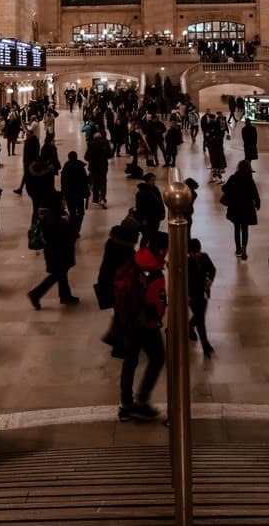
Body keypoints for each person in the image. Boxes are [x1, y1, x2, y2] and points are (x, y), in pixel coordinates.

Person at [117, 230, 168, 422]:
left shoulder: (138, 257)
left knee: (130, 360)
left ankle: (126, 403)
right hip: (146, 323)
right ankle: (142, 401)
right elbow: (157, 303)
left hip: (128, 317)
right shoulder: (154, 272)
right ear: (162, 250)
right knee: (158, 358)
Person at [96, 224, 138, 358]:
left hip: (110, 284)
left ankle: (113, 338)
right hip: (117, 287)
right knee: (122, 315)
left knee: (120, 314)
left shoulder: (111, 244)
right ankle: (117, 346)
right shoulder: (124, 251)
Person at [27, 205, 79, 309]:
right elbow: (64, 233)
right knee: (57, 274)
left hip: (54, 250)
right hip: (59, 250)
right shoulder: (55, 217)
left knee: (62, 272)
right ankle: (36, 294)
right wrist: (67, 222)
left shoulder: (47, 214)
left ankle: (65, 295)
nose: (64, 202)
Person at [221, 159, 260, 260]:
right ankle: (244, 247)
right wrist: (258, 203)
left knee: (237, 228)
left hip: (235, 207)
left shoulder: (234, 178)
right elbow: (255, 193)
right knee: (245, 228)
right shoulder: (249, 180)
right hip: (247, 207)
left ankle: (238, 249)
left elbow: (224, 188)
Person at [188, 237, 216, 357]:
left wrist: (210, 279)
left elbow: (212, 269)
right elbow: (185, 281)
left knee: (200, 316)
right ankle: (205, 345)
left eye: (197, 252)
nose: (196, 255)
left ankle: (189, 325)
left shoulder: (204, 257)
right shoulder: (188, 264)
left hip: (203, 292)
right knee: (200, 319)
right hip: (193, 296)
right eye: (193, 253)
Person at [60, 150, 91, 232]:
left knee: (72, 213)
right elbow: (85, 181)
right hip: (79, 194)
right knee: (81, 212)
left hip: (69, 195)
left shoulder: (66, 168)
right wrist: (87, 192)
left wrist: (63, 194)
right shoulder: (80, 167)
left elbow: (63, 183)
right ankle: (77, 227)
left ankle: (73, 228)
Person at [135, 172, 166, 246]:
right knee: (146, 237)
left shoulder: (155, 189)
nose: (153, 182)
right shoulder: (141, 193)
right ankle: (142, 252)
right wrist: (143, 219)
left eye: (154, 180)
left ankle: (151, 251)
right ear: (147, 181)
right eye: (151, 180)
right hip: (147, 219)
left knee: (153, 236)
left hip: (155, 218)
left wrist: (163, 211)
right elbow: (139, 207)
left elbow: (160, 201)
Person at [85, 130, 112, 208]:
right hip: (103, 166)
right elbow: (110, 155)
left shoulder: (91, 144)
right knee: (103, 182)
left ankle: (95, 199)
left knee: (95, 182)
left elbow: (86, 157)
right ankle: (103, 198)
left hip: (93, 167)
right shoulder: (105, 143)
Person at [14, 125, 40, 195]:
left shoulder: (35, 142)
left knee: (28, 175)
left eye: (28, 135)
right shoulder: (27, 141)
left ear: (31, 134)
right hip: (26, 161)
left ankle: (21, 189)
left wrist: (34, 161)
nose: (27, 136)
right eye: (27, 135)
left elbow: (36, 152)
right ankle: (21, 189)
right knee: (27, 175)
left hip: (31, 162)